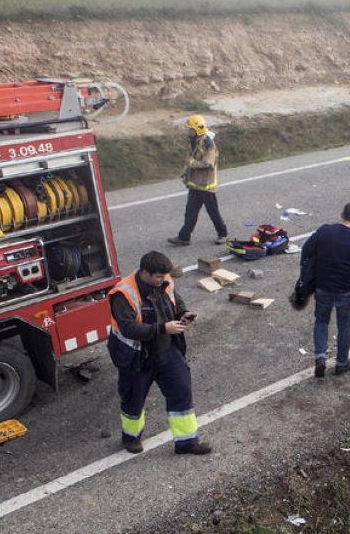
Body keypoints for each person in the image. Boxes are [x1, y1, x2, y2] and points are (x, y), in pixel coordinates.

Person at [106, 251, 210, 455]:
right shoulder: (123, 294)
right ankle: (131, 438)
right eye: (158, 276)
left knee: (181, 391)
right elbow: (129, 329)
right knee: (133, 399)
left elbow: (175, 301)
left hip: (166, 351)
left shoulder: (165, 280)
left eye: (165, 276)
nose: (163, 280)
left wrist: (183, 313)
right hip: (137, 357)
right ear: (144, 273)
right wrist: (163, 328)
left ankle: (187, 442)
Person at [299, 202, 350, 377]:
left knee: (321, 321)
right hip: (346, 291)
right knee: (344, 325)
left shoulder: (325, 231)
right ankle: (341, 363)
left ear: (341, 215)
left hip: (323, 288)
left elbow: (307, 249)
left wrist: (306, 272)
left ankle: (320, 357)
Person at [167, 114, 227, 246]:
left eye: (190, 129)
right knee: (190, 213)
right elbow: (190, 160)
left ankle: (223, 234)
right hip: (195, 186)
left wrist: (192, 163)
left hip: (206, 187)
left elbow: (208, 163)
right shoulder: (194, 142)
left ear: (197, 130)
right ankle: (184, 237)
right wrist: (186, 173)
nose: (188, 132)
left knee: (213, 212)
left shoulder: (208, 144)